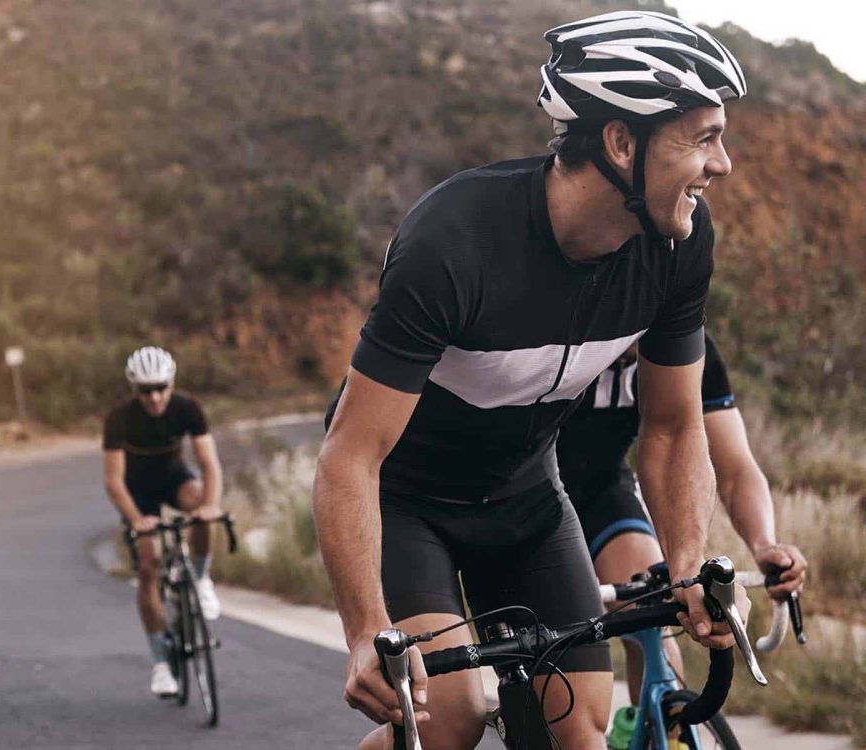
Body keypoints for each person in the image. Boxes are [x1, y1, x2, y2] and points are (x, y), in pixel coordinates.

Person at [313, 10, 751, 749]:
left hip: (526, 499)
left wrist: (685, 568)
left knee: (578, 732)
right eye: (703, 137)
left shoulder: (679, 241)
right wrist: (366, 632)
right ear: (620, 141)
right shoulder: (453, 245)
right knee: (445, 717)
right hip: (409, 501)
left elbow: (674, 426)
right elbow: (349, 455)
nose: (722, 163)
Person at [557, 333, 807, 706]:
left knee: (651, 610)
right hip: (519, 490)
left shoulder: (682, 344)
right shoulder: (560, 330)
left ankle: (659, 725)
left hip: (601, 490)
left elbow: (736, 469)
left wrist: (764, 543)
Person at [102, 346, 225, 698]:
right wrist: (137, 519)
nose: (154, 396)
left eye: (160, 387)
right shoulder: (119, 418)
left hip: (175, 480)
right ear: (133, 388)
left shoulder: (187, 407)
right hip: (138, 493)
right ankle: (160, 664)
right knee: (148, 565)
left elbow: (209, 463)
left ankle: (201, 580)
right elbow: (113, 480)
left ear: (171, 383)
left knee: (201, 506)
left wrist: (211, 507)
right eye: (145, 390)